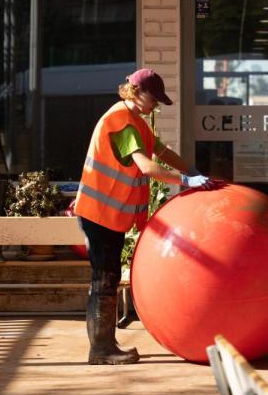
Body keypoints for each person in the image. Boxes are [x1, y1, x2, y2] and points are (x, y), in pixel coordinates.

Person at [74, 68, 221, 365]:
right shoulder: (122, 123)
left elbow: (163, 152)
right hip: (100, 215)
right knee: (105, 278)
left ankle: (105, 345)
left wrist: (195, 171)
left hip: (107, 214)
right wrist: (186, 181)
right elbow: (147, 167)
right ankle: (101, 349)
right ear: (136, 92)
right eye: (154, 99)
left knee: (107, 276)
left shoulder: (136, 123)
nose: (156, 106)